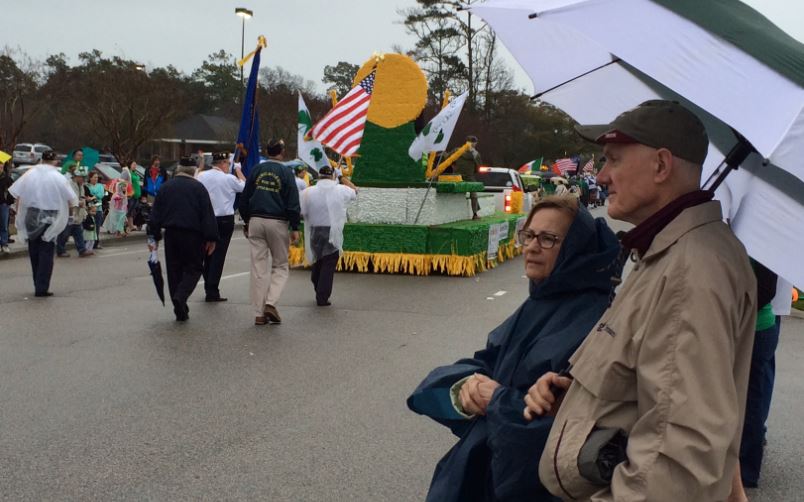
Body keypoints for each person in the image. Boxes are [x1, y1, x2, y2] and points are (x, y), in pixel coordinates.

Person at [526, 100, 757, 501]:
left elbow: (677, 460)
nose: (601, 175)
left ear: (661, 166)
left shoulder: (691, 269)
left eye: (613, 160)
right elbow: (654, 387)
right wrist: (581, 399)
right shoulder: (670, 252)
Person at [408, 196, 621, 502]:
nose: (532, 247)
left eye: (548, 239)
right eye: (529, 234)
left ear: (576, 249)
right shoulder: (539, 301)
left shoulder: (596, 319)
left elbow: (565, 429)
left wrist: (495, 399)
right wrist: (467, 384)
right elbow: (487, 362)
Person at [147, 157, 218, 322]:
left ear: (178, 170)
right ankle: (181, 296)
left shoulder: (165, 188)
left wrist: (153, 237)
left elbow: (155, 215)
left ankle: (179, 306)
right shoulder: (199, 188)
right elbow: (207, 214)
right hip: (193, 235)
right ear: (194, 171)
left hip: (171, 234)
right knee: (194, 268)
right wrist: (211, 238)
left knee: (174, 270)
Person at [239, 139, 301, 326]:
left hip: (256, 219)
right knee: (280, 265)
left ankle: (258, 313)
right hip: (277, 221)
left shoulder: (257, 170)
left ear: (267, 151)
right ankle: (270, 303)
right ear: (281, 152)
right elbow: (292, 202)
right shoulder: (286, 172)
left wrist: (247, 220)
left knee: (258, 267)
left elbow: (244, 198)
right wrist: (295, 227)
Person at [8, 150, 78, 296]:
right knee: (46, 251)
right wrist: (72, 214)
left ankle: (37, 283)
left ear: (42, 159)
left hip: (32, 215)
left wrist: (18, 214)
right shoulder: (57, 176)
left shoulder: (30, 174)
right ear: (54, 161)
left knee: (34, 249)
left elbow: (16, 193)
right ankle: (42, 287)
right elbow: (71, 198)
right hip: (50, 215)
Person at [299, 165, 357, 306]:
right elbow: (355, 191)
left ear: (318, 176)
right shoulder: (341, 189)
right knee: (329, 263)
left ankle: (318, 285)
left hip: (314, 231)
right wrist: (342, 177)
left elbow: (302, 212)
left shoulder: (307, 191)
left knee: (318, 260)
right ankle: (322, 296)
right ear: (332, 175)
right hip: (332, 231)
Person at [196, 151, 246, 302]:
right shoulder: (229, 178)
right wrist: (238, 170)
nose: (229, 167)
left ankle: (208, 287)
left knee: (206, 254)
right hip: (224, 220)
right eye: (228, 164)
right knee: (219, 255)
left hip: (205, 219)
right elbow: (246, 186)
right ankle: (212, 290)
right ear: (223, 163)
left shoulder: (202, 176)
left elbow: (195, 179)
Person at [56, 166, 93, 257]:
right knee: (65, 233)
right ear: (76, 176)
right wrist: (77, 203)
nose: (83, 179)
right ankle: (60, 250)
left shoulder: (81, 186)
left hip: (78, 213)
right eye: (82, 177)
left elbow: (82, 196)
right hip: (69, 212)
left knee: (78, 232)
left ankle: (82, 249)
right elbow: (68, 199)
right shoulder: (69, 185)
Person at [452, 135, 482, 219]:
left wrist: (454, 167)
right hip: (468, 177)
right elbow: (479, 166)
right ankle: (475, 214)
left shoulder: (457, 150)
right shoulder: (475, 154)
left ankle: (475, 213)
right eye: (475, 143)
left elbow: (449, 159)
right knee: (474, 195)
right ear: (474, 143)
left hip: (457, 176)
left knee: (473, 194)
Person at [84, 171, 106, 249]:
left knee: (97, 227)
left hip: (98, 209)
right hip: (89, 209)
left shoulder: (100, 186)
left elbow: (101, 195)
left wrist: (93, 197)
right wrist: (89, 198)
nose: (96, 179)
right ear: (90, 178)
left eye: (97, 177)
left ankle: (96, 243)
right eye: (94, 177)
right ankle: (87, 243)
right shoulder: (86, 186)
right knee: (88, 226)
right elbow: (86, 195)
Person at [126, 161, 143, 231]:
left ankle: (131, 225)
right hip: (131, 195)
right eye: (133, 164)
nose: (135, 166)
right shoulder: (128, 173)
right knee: (129, 210)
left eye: (136, 164)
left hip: (136, 195)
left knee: (132, 210)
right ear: (130, 165)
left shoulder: (135, 173)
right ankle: (129, 225)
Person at [0, 160, 13, 253]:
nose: (0, 166)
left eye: (1, 164)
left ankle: (4, 244)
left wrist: (9, 202)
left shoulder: (7, 178)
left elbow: (12, 191)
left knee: (4, 225)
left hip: (3, 204)